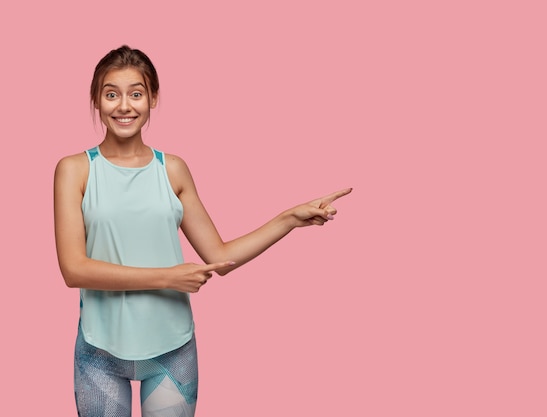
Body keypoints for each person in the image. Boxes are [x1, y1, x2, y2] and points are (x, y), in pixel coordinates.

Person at [53, 45, 351, 417]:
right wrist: (168, 278)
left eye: (136, 93)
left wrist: (287, 220)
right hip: (100, 349)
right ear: (96, 100)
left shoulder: (172, 169)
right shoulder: (75, 170)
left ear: (153, 98)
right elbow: (74, 269)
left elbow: (219, 257)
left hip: (172, 348)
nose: (124, 106)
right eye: (111, 94)